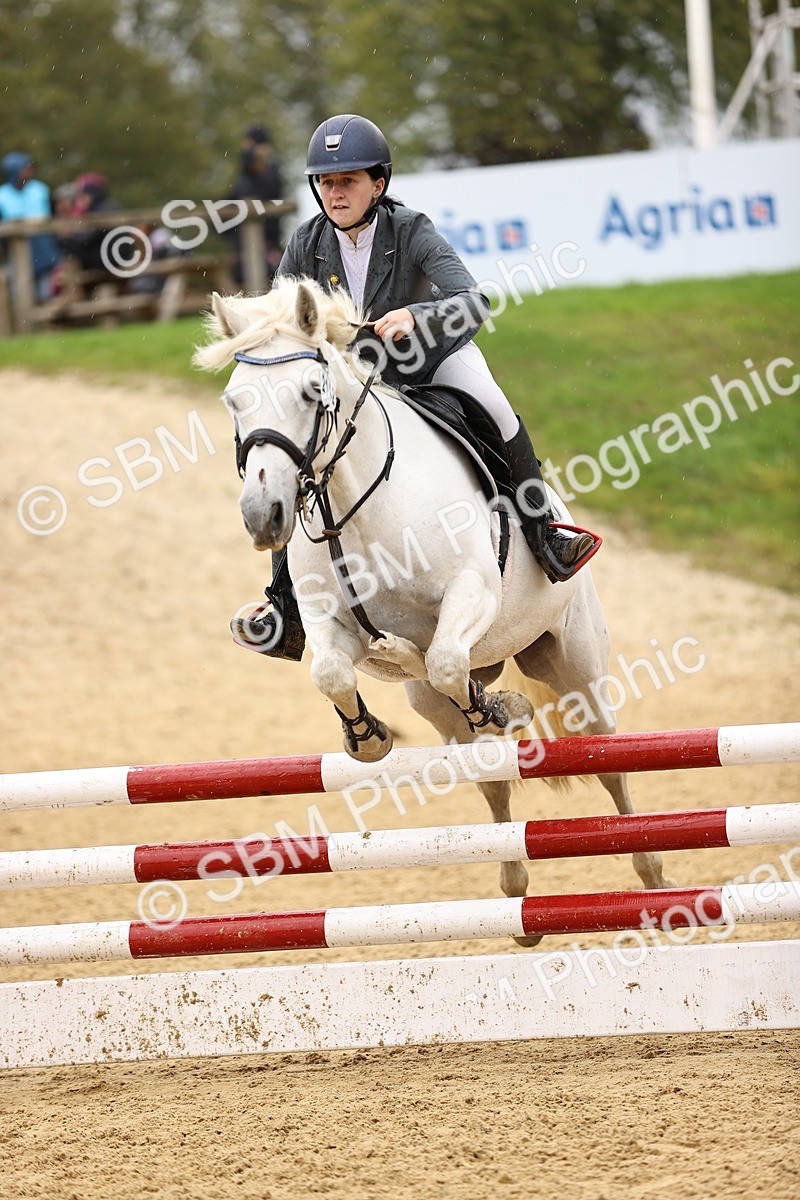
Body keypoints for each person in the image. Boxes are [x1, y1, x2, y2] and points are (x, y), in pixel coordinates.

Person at [232, 113, 596, 659]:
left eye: (348, 180)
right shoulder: (307, 241)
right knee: (294, 450)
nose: (336, 192)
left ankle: (545, 533)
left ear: (378, 184)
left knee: (496, 408)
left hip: (433, 360)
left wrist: (419, 317)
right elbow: (286, 319)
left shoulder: (412, 230)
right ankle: (285, 604)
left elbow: (473, 301)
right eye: (327, 182)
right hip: (361, 377)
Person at [227, 123, 284, 284]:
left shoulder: (264, 166)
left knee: (258, 277)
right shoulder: (270, 166)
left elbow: (267, 198)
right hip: (257, 235)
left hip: (260, 236)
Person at [0, 152, 61, 301]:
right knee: (21, 289)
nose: (29, 172)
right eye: (25, 168)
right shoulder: (3, 195)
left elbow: (52, 216)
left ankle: (47, 320)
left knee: (46, 289)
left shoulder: (39, 190)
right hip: (15, 247)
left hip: (44, 244)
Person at [58, 172, 119, 272]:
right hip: (114, 256)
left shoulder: (101, 210)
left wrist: (65, 237)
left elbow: (83, 239)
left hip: (109, 259)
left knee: (67, 247)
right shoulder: (107, 206)